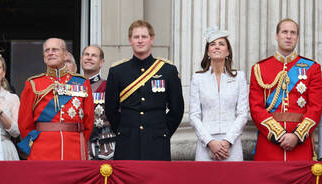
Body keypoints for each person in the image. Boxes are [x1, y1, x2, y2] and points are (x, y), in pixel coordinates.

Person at [105, 20, 184, 160]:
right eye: (136, 37)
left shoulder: (168, 70)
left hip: (157, 140)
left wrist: (163, 131)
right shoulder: (117, 71)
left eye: (144, 37)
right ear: (130, 40)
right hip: (127, 140)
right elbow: (111, 109)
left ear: (152, 39)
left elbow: (177, 109)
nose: (140, 41)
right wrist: (124, 130)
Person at [249, 18, 322, 161]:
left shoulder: (312, 68)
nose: (289, 36)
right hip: (269, 145)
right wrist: (279, 135)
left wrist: (297, 136)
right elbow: (256, 108)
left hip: (300, 145)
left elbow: (316, 108)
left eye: (293, 33)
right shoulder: (259, 68)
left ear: (297, 37)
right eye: (284, 32)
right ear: (277, 36)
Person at [18, 38, 94, 160]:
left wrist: (80, 141)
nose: (50, 52)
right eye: (47, 50)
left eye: (55, 49)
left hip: (74, 148)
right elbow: (24, 124)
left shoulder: (82, 83)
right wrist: (34, 144)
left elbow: (88, 121)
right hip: (42, 149)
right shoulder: (33, 84)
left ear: (65, 55)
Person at [189, 28, 248, 161]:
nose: (217, 47)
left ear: (227, 52)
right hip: (206, 144)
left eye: (221, 44)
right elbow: (194, 115)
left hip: (232, 144)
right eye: (212, 44)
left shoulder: (239, 77)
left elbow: (243, 113)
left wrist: (227, 141)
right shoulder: (198, 79)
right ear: (208, 52)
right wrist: (210, 141)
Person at [81, 45, 115, 160]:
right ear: (81, 60)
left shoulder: (109, 87)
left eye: (94, 55)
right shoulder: (73, 87)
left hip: (104, 147)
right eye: (86, 55)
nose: (89, 58)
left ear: (101, 62)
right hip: (80, 148)